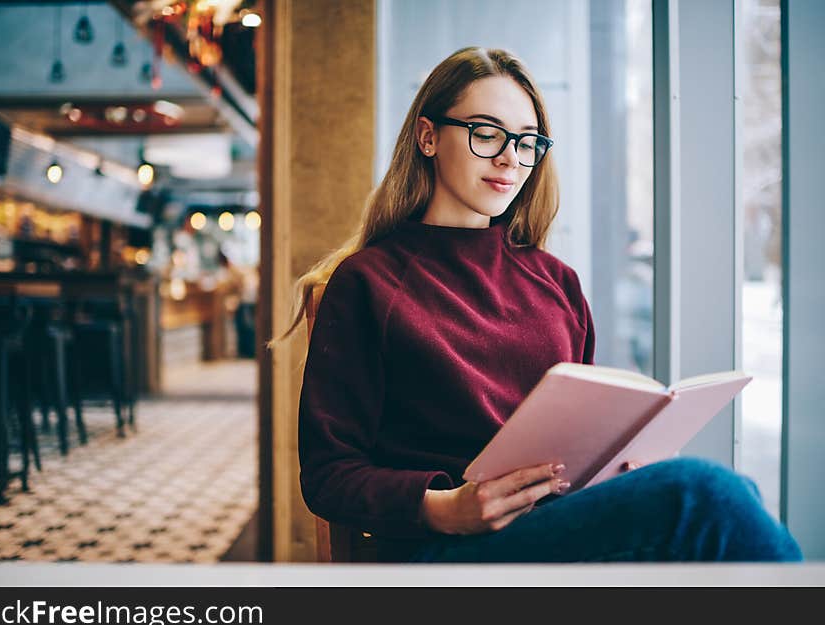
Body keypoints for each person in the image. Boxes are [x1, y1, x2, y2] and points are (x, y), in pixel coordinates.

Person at [269, 47, 802, 563]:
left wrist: (619, 464)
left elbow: (584, 431)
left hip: (559, 528)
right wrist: (444, 507)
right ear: (428, 137)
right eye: (486, 133)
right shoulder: (369, 283)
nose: (510, 157)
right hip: (446, 550)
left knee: (727, 500)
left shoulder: (556, 282)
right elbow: (329, 473)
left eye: (527, 142)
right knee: (705, 496)